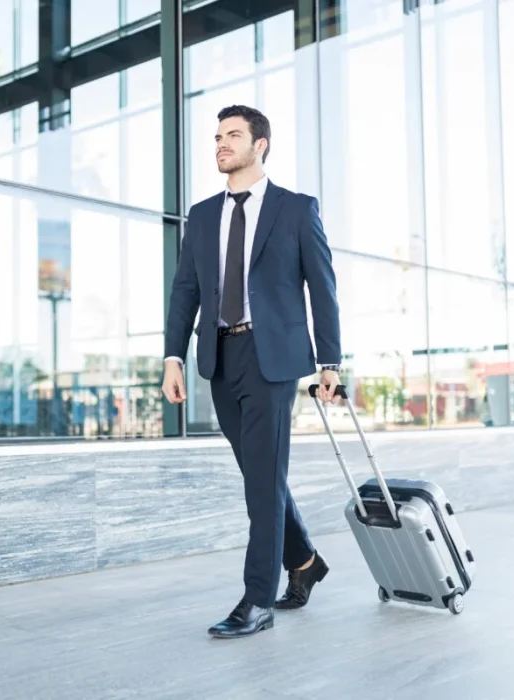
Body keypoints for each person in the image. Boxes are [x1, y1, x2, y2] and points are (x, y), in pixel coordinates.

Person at [162, 105, 343, 639]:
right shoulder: (201, 214)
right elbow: (185, 291)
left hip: (274, 360)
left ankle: (257, 599)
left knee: (262, 482)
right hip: (219, 356)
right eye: (217, 136)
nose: (221, 144)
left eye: (232, 135)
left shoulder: (295, 209)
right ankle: (305, 561)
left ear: (259, 144)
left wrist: (329, 361)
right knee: (261, 476)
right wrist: (173, 355)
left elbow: (322, 287)